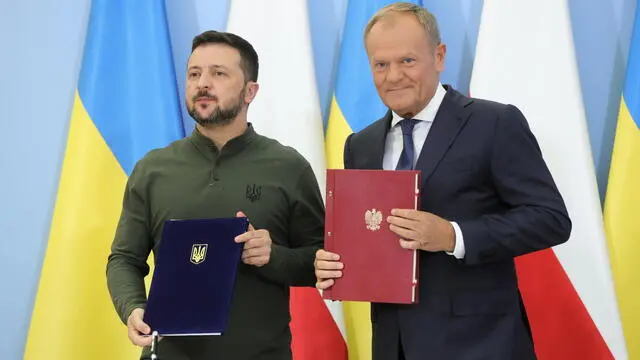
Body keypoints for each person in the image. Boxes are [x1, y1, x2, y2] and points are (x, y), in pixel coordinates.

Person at [314, 3, 571, 360]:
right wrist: (338, 265)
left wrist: (454, 236)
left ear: (439, 56)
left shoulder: (494, 122)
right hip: (394, 345)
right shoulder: (361, 144)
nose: (393, 77)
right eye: (380, 64)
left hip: (480, 344)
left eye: (407, 61)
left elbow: (550, 219)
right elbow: (368, 235)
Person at [106, 30, 325, 360]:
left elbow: (322, 262)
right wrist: (133, 308)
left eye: (218, 73)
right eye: (194, 74)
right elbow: (124, 259)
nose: (202, 83)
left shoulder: (289, 167)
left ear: (250, 91)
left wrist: (273, 255)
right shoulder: (152, 169)